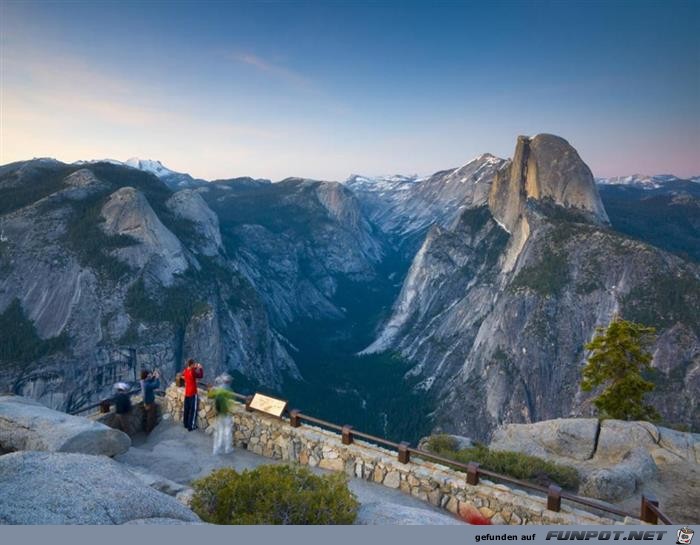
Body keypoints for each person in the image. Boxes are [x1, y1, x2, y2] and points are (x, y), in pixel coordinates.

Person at [207, 374, 234, 455]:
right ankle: (227, 449)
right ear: (228, 382)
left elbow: (209, 395)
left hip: (218, 414)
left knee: (218, 432)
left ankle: (216, 450)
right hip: (225, 414)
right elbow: (231, 404)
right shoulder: (229, 390)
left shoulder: (218, 389)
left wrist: (210, 389)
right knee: (227, 432)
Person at [182, 358, 204, 431]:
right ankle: (191, 426)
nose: (195, 365)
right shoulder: (192, 372)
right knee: (193, 410)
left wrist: (195, 367)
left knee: (186, 409)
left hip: (187, 393)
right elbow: (200, 376)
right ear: (191, 365)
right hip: (193, 393)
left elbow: (187, 373)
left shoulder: (185, 370)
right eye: (193, 364)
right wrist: (200, 368)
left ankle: (185, 424)